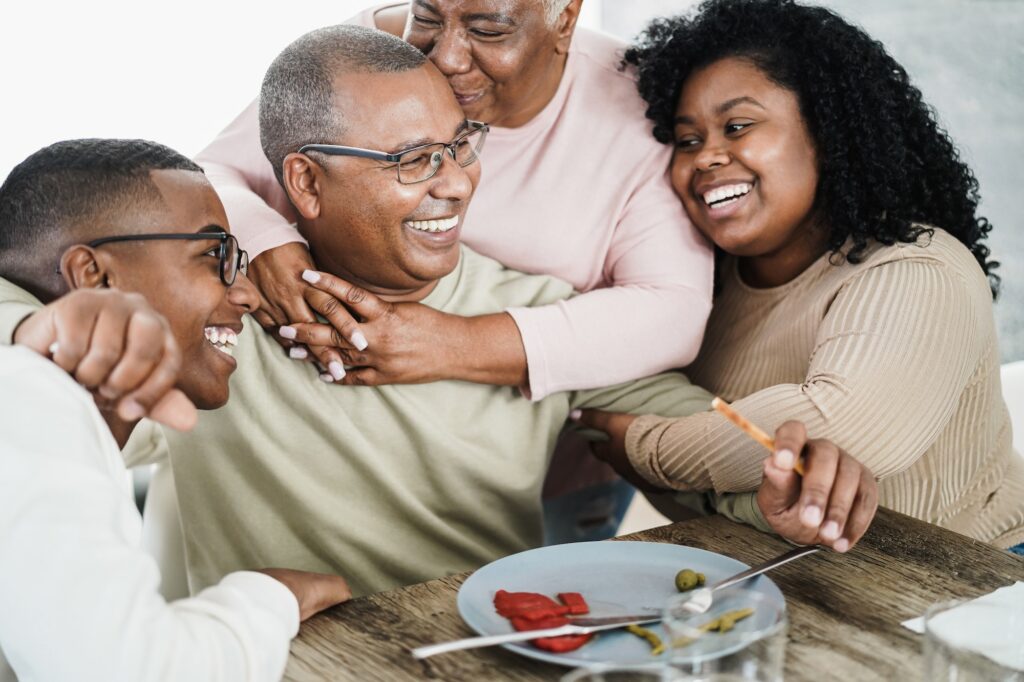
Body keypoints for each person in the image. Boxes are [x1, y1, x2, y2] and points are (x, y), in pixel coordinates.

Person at [151, 26, 873, 598]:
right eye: (413, 161)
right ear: (305, 183)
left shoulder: (544, 312)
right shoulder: (216, 313)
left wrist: (787, 487)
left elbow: (706, 440)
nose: (458, 185)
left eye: (460, 147)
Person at [194, 0, 715, 541]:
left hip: (544, 450)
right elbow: (203, 171)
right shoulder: (370, 56)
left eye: (488, 29)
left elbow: (675, 310)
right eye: (426, 17)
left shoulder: (635, 98)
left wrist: (452, 343)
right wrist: (264, 241)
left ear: (566, 18)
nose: (444, 58)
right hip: (325, 438)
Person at [580, 0, 1024, 553]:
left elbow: (827, 431)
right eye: (688, 140)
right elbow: (713, 488)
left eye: (737, 126)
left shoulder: (921, 268)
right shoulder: (701, 289)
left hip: (983, 582)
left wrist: (634, 442)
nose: (706, 158)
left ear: (827, 129)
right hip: (818, 586)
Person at [0, 139, 351, 682]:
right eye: (215, 257)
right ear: (94, 277)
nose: (248, 295)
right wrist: (269, 598)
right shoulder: (32, 400)